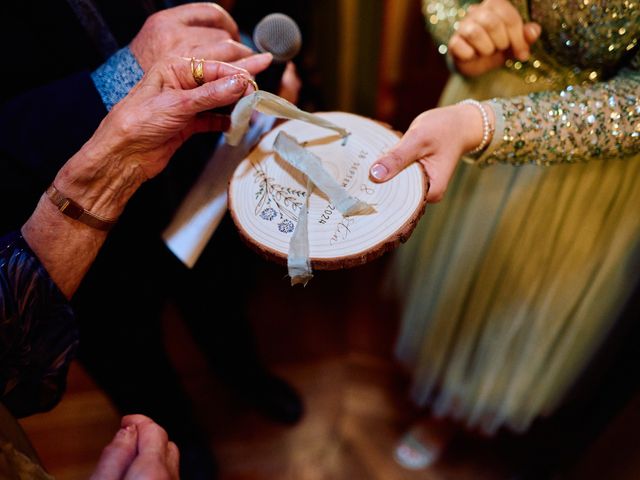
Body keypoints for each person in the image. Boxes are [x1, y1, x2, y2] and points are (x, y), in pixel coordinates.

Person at [0, 2, 303, 478]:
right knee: (127, 347)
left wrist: (241, 47)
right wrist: (123, 75)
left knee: (220, 294)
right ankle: (175, 439)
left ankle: (246, 378)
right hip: (64, 212)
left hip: (198, 162)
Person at [367, 0, 640, 471]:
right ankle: (436, 385)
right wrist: (464, 32)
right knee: (455, 269)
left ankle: (456, 409)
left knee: (515, 299)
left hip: (577, 157)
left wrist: (486, 125)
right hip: (475, 95)